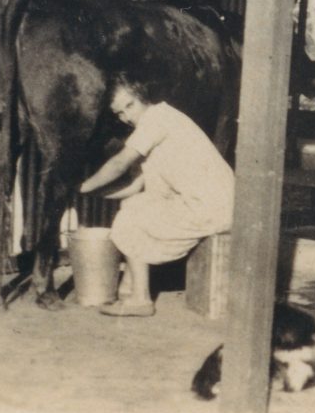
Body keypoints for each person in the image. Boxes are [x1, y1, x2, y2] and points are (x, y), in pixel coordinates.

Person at [80, 74, 234, 317]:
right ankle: (129, 289)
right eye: (119, 113)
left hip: (214, 207)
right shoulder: (155, 126)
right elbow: (135, 186)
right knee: (134, 205)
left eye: (129, 105)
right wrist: (94, 193)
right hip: (207, 204)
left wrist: (83, 186)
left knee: (132, 217)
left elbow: (120, 163)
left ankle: (140, 299)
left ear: (143, 98)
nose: (126, 116)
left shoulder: (157, 119)